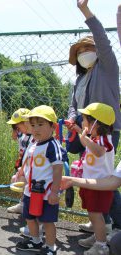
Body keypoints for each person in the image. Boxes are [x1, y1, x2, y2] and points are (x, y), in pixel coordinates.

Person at [67, 0, 121, 237]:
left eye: (87, 49)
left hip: (107, 132)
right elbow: (73, 106)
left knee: (104, 179)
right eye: (79, 52)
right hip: (85, 133)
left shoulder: (107, 69)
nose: (83, 54)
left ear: (98, 52)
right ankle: (100, 221)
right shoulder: (79, 79)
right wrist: (74, 122)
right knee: (89, 176)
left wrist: (85, 11)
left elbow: (102, 37)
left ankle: (115, 225)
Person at [16, 105, 67, 255]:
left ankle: (50, 247)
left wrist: (55, 192)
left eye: (40, 124)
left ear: (53, 126)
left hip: (46, 193)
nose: (35, 129)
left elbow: (58, 169)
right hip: (30, 191)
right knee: (29, 217)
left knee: (47, 221)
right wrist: (21, 173)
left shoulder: (53, 146)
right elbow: (27, 163)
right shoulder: (34, 144)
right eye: (32, 125)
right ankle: (35, 241)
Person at [71, 103, 115, 255]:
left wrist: (85, 137)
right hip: (91, 183)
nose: (82, 122)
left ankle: (101, 245)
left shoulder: (104, 139)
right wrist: (79, 132)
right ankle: (97, 236)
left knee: (96, 214)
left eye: (84, 119)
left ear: (96, 122)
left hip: (99, 185)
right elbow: (86, 144)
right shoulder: (96, 138)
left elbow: (98, 153)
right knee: (92, 213)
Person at [61, 160, 121, 255]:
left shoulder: (101, 144)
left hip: (98, 183)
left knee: (96, 215)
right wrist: (71, 180)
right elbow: (113, 183)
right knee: (115, 244)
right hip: (94, 182)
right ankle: (99, 238)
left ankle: (101, 243)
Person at [6, 108, 32, 214]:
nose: (17, 129)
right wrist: (15, 129)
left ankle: (27, 206)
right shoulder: (22, 133)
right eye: (15, 127)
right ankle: (22, 204)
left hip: (30, 164)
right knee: (21, 182)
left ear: (26, 123)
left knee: (26, 184)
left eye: (18, 126)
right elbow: (13, 137)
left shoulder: (34, 136)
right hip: (22, 161)